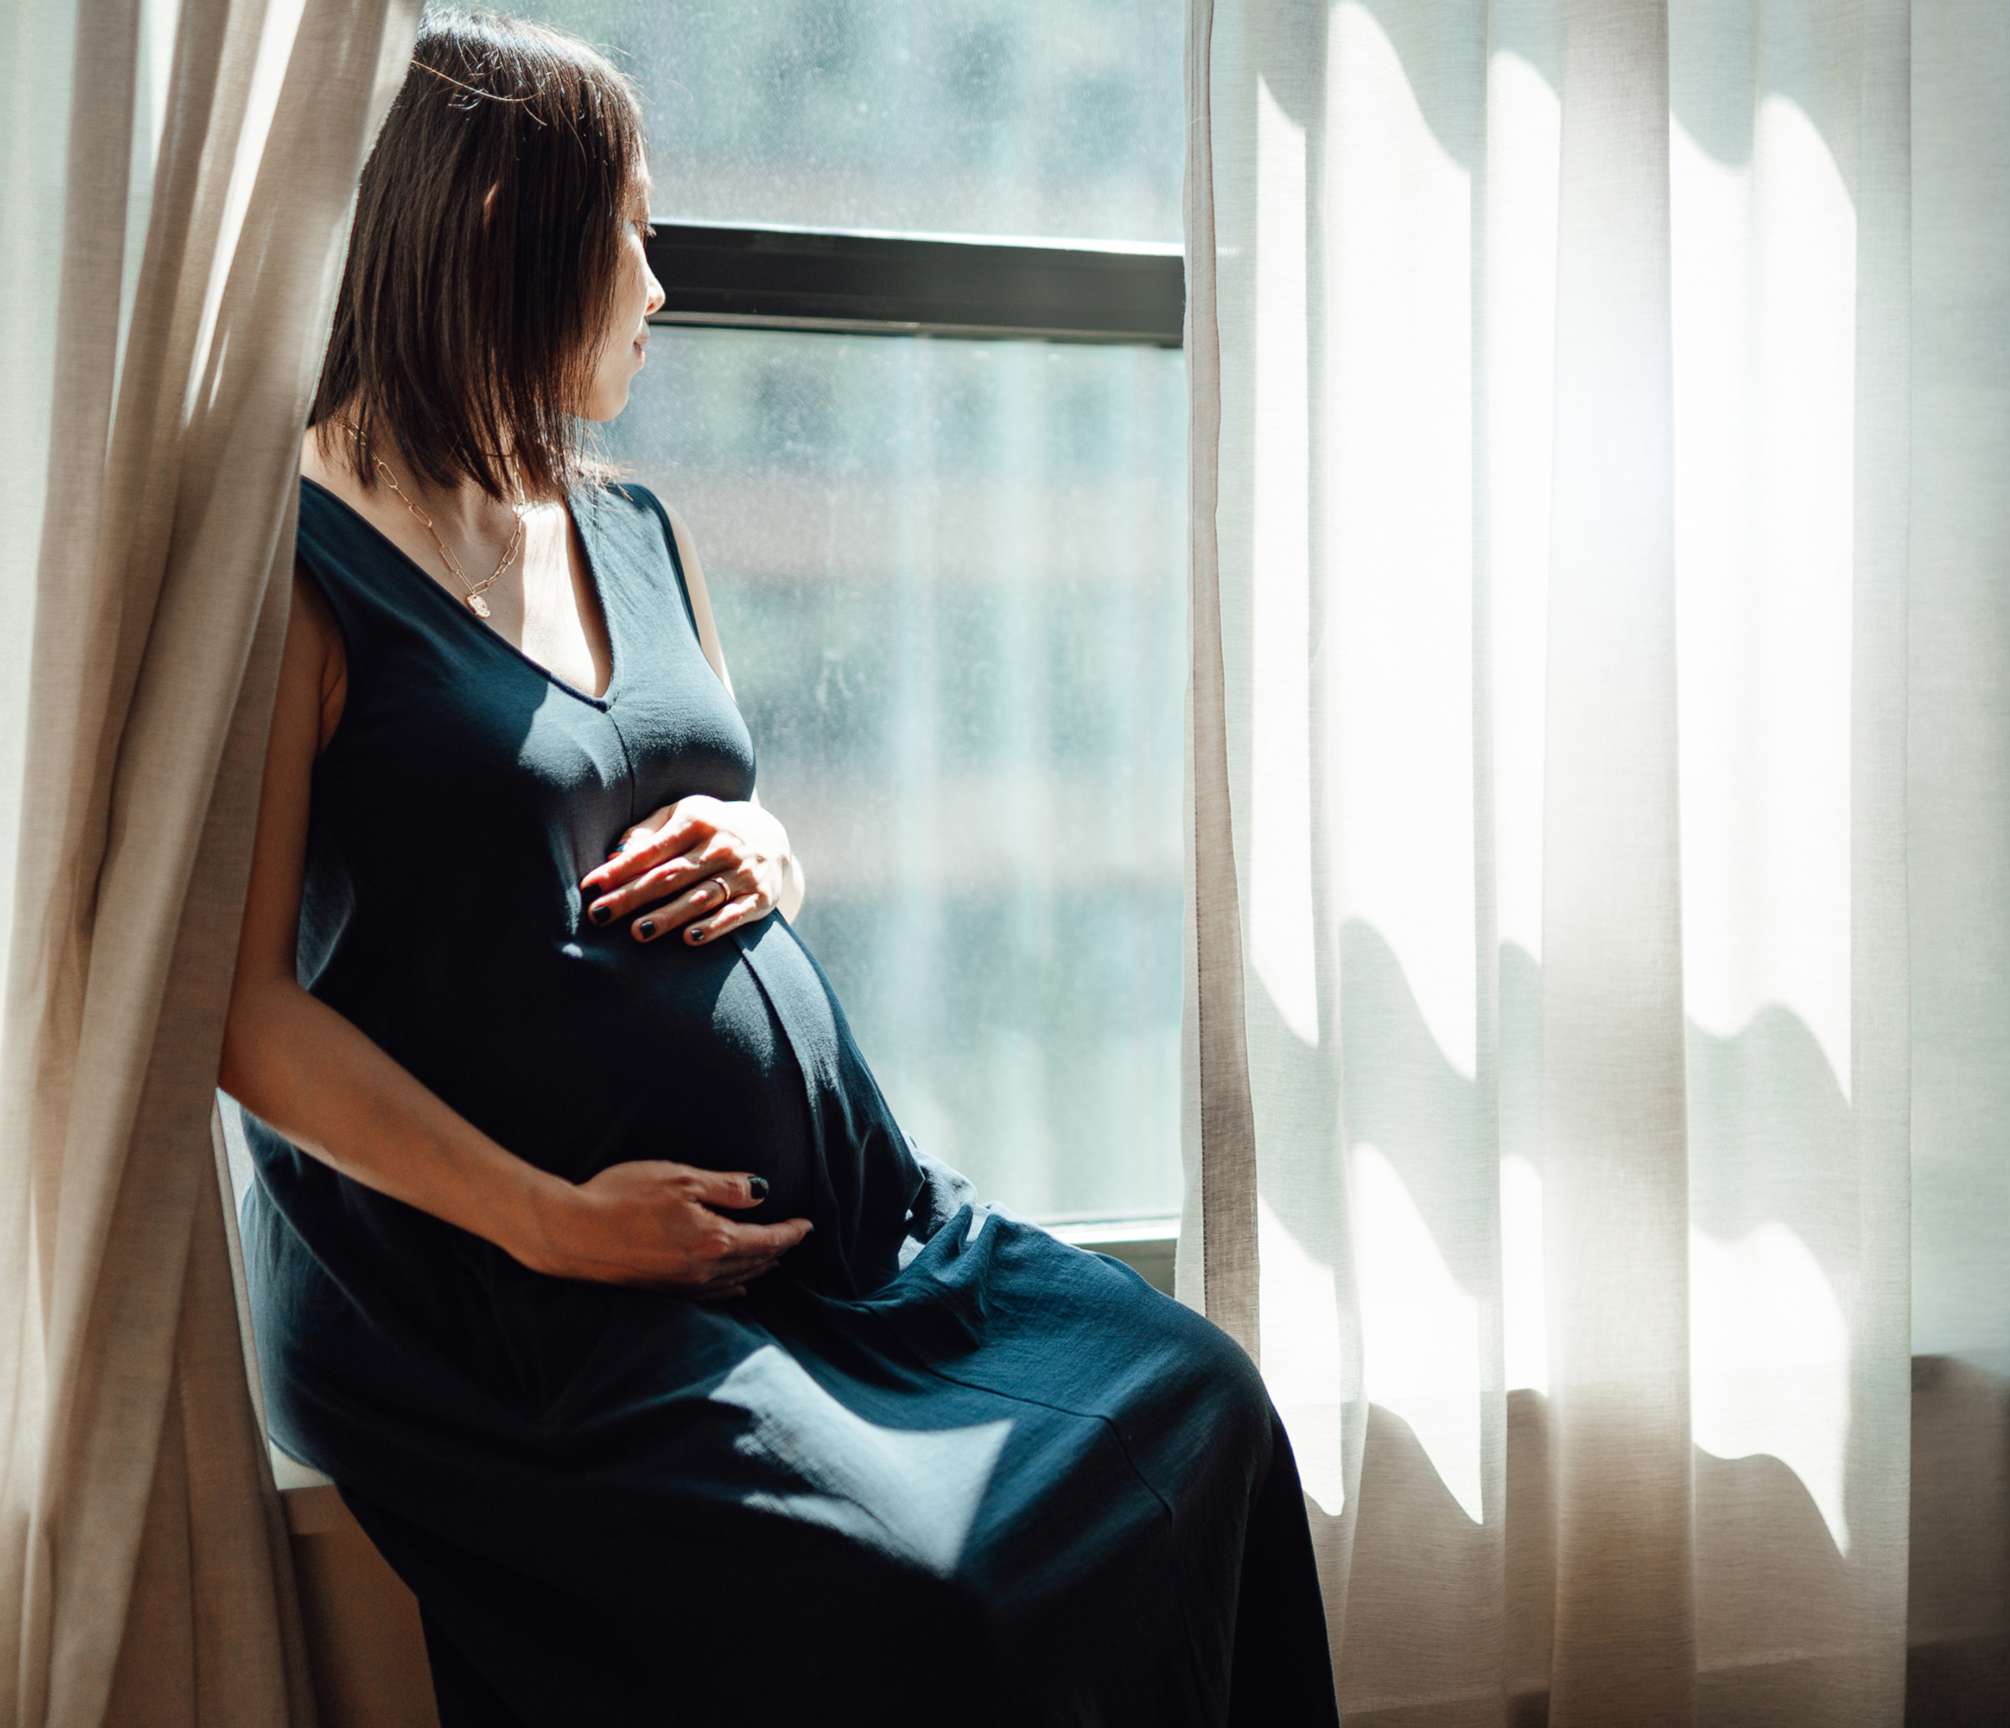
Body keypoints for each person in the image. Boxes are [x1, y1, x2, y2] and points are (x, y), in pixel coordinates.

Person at [219, 12, 1337, 1723]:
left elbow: (701, 793)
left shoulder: (634, 527)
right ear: (519, 218)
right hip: (513, 1294)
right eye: (634, 234)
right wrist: (556, 1225)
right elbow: (242, 1016)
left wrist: (772, 842)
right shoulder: (296, 562)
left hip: (855, 1233)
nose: (659, 287)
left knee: (1202, 1403)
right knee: (932, 1600)